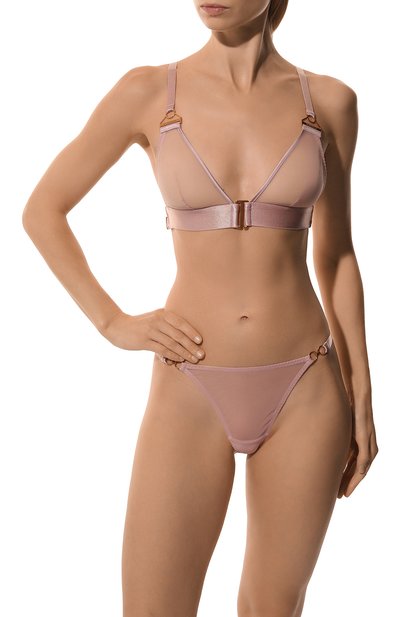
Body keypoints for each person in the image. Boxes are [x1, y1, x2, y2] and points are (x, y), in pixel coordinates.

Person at [22, 1, 378, 615]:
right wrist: (113, 322)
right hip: (190, 381)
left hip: (305, 386)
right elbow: (43, 210)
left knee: (273, 608)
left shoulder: (329, 102)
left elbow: (338, 255)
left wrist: (362, 396)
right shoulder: (148, 92)